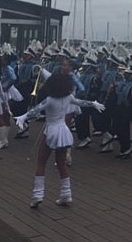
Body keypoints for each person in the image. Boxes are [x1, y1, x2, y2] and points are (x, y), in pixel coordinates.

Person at [15, 72, 105, 208]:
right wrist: (93, 104)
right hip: (63, 131)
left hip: (51, 131)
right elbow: (81, 102)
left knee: (41, 163)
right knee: (61, 163)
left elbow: (36, 110)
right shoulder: (68, 97)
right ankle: (66, 194)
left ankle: (37, 195)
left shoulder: (50, 99)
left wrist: (23, 117)